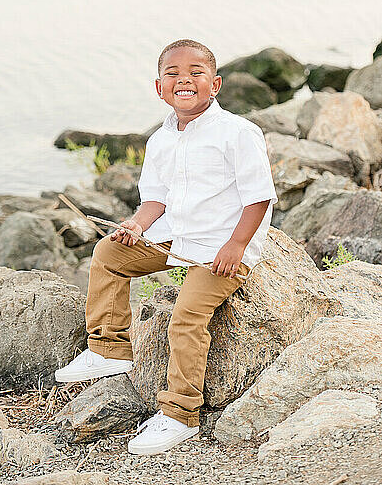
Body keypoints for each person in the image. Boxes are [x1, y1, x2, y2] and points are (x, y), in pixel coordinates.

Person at [55, 39, 278, 455]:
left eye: (195, 72)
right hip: (177, 237)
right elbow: (154, 199)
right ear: (160, 88)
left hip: (220, 250)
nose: (184, 80)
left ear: (216, 84)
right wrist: (136, 226)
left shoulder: (238, 133)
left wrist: (236, 245)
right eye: (173, 74)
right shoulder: (160, 140)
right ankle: (110, 349)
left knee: (186, 316)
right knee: (108, 254)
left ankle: (179, 415)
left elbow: (258, 197)